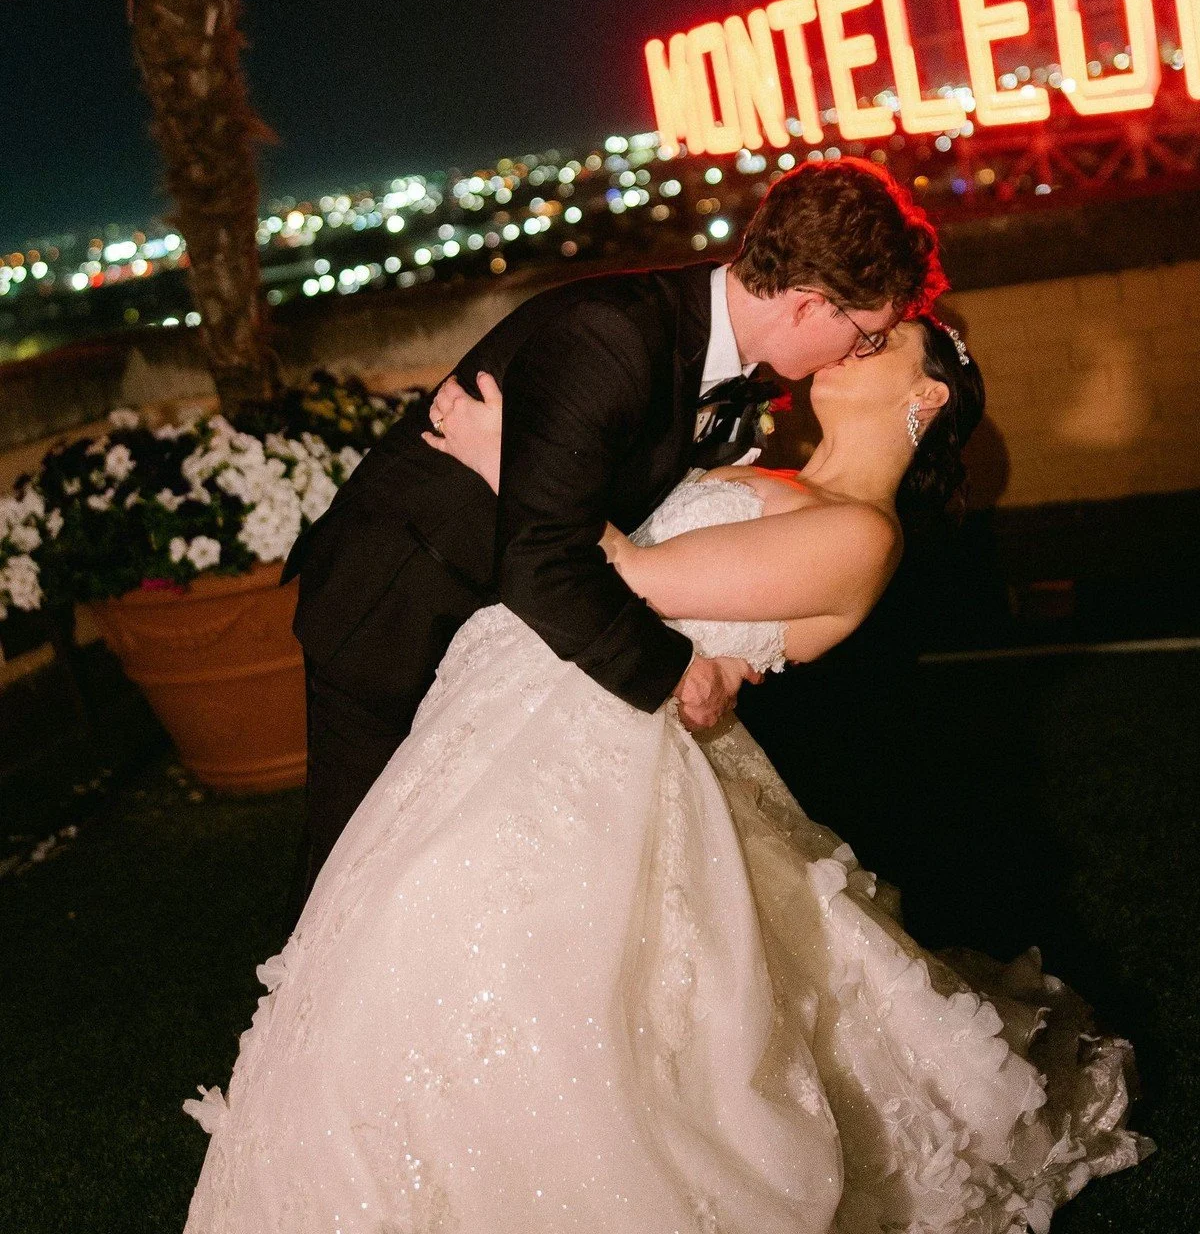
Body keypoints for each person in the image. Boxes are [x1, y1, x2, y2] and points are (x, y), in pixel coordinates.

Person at [149, 313, 1153, 1234]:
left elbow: (626, 576)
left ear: (929, 397)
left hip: (602, 769)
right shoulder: (769, 473)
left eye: (889, 339)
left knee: (545, 1003)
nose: (854, 338)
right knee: (389, 966)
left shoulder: (859, 533)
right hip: (503, 714)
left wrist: (503, 454)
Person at [282, 157, 943, 906]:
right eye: (863, 334)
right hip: (402, 606)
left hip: (510, 636)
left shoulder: (727, 362)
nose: (857, 352)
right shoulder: (614, 336)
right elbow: (543, 556)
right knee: (356, 886)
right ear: (810, 306)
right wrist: (673, 670)